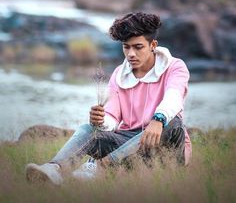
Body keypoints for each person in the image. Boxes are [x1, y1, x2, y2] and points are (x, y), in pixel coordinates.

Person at [25, 12, 191, 185]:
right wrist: (101, 120)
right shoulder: (120, 74)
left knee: (172, 121)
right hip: (127, 149)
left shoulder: (175, 67)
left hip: (163, 148)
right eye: (126, 47)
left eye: (138, 47)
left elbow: (174, 96)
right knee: (89, 129)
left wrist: (158, 119)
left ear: (153, 45)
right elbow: (112, 116)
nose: (131, 54)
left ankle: (99, 168)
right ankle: (54, 170)